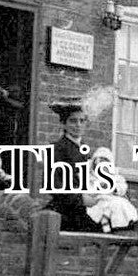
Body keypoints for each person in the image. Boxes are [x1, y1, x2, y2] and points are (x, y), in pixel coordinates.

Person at [46, 100, 100, 233]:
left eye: (82, 121)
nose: (78, 125)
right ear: (63, 124)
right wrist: (80, 198)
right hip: (66, 210)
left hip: (88, 208)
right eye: (73, 121)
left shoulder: (86, 151)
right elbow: (53, 184)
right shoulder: (56, 149)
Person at [83, 148, 138, 233]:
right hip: (97, 201)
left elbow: (121, 187)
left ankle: (116, 225)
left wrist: (114, 188)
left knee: (119, 203)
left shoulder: (114, 176)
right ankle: (105, 222)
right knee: (105, 204)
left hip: (111, 198)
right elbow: (88, 191)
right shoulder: (88, 177)